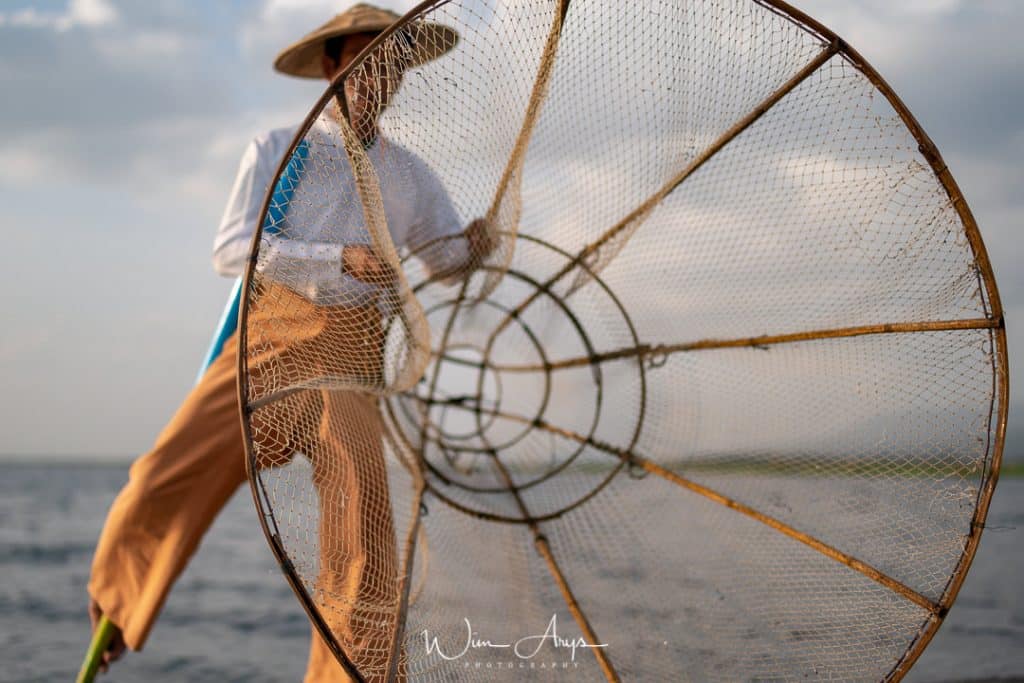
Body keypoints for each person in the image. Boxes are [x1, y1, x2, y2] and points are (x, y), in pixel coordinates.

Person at [86, 4, 490, 681]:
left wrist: (475, 246)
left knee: (363, 531)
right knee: (159, 479)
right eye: (363, 61)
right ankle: (116, 608)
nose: (376, 76)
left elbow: (444, 259)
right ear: (332, 67)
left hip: (352, 364)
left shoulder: (413, 176)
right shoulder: (281, 149)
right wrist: (339, 259)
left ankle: (352, 676)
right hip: (266, 345)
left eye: (390, 63)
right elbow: (233, 249)